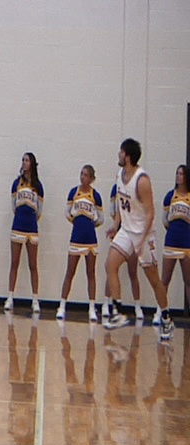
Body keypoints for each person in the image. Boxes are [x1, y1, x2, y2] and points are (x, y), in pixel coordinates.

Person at [103, 138, 174, 341]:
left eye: (121, 152)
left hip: (144, 233)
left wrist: (142, 240)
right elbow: (120, 203)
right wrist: (114, 226)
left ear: (128, 156)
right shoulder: (120, 175)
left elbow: (150, 212)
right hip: (126, 230)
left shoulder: (142, 180)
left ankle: (166, 317)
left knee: (153, 279)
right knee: (110, 265)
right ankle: (117, 311)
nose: (118, 154)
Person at [56, 165, 103, 322]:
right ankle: (62, 306)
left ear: (91, 179)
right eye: (81, 174)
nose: (83, 177)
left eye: (86, 175)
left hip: (90, 239)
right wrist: (77, 223)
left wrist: (90, 225)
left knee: (91, 273)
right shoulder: (73, 192)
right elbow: (67, 213)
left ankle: (91, 308)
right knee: (70, 272)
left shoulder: (95, 195)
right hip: (76, 238)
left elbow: (100, 219)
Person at [5, 153, 44, 313]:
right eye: (22, 160)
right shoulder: (16, 183)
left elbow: (39, 210)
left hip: (31, 228)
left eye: (27, 160)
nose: (24, 163)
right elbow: (14, 206)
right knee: (14, 263)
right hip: (18, 225)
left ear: (32, 164)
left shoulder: (38, 185)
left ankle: (35, 299)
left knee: (33, 265)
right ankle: (10, 297)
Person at [101, 182, 145, 321]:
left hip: (133, 233)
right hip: (120, 232)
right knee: (110, 267)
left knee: (133, 272)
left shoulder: (139, 185)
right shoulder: (117, 188)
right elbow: (116, 210)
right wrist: (115, 225)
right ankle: (108, 303)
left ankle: (137, 306)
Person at [158, 164, 190, 325]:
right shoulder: (170, 196)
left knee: (188, 280)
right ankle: (161, 311)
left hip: (186, 243)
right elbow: (164, 220)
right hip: (171, 241)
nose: (179, 176)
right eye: (177, 173)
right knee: (165, 280)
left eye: (182, 174)